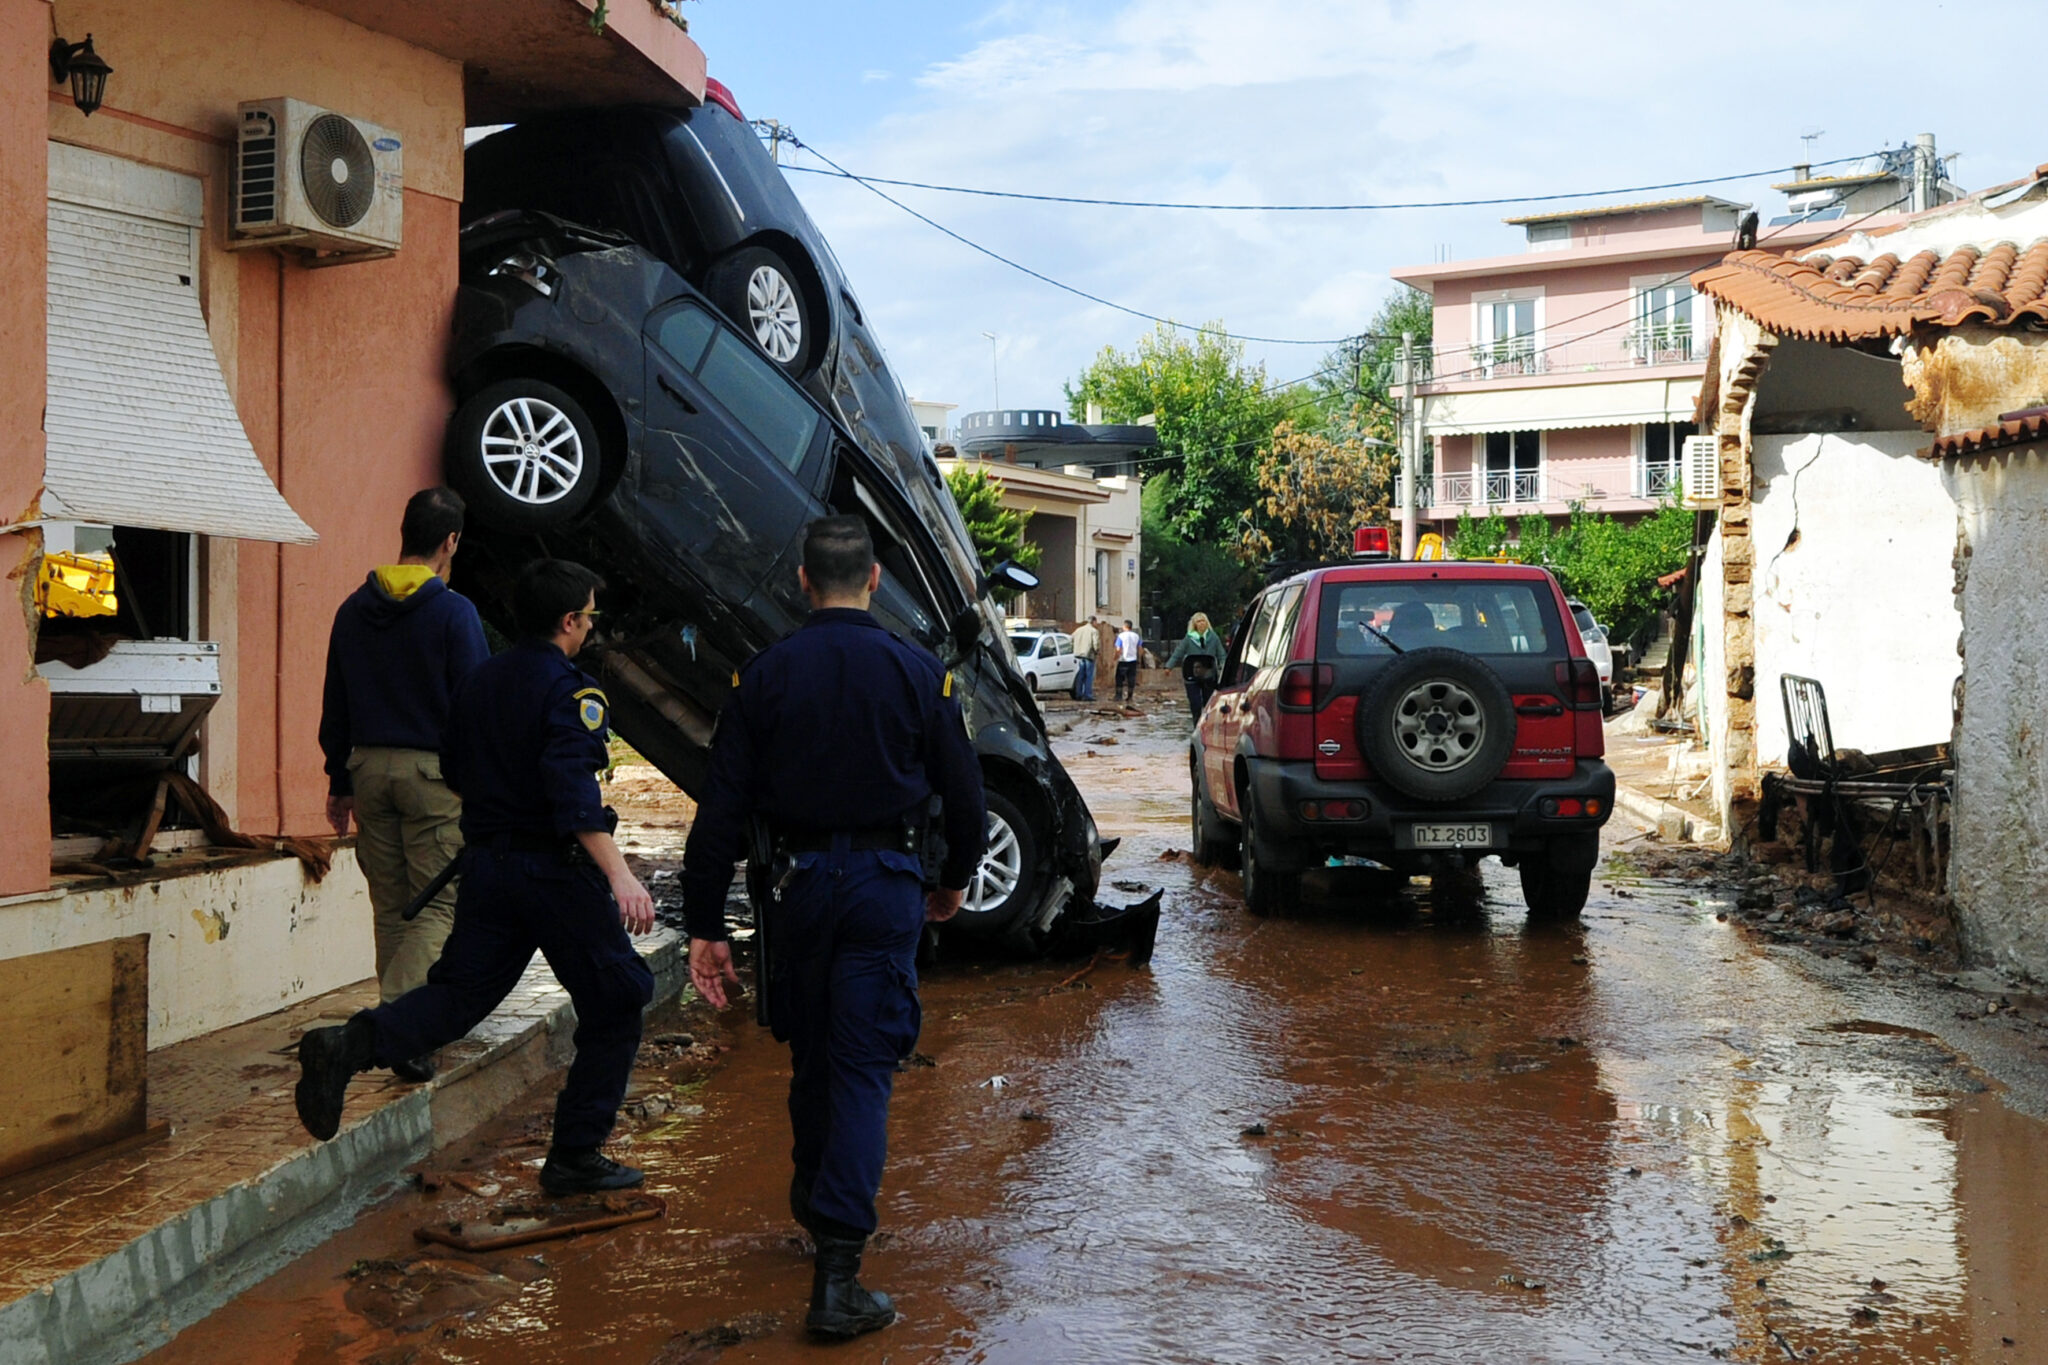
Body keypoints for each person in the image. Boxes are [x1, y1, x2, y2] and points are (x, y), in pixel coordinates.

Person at [680, 515, 987, 1341]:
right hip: (885, 888)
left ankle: (819, 1205)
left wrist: (704, 924)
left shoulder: (764, 676)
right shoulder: (922, 673)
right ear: (876, 579)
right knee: (858, 1067)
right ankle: (838, 1274)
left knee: (815, 1051)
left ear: (805, 583)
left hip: (797, 889)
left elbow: (719, 813)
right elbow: (968, 800)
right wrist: (953, 879)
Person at [295, 560, 658, 1197]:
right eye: (590, 617)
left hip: (488, 867)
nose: (590, 627)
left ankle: (348, 1046)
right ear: (570, 622)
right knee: (621, 996)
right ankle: (575, 1154)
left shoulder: (480, 682)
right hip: (553, 872)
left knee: (459, 996)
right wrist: (622, 876)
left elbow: (458, 772)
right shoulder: (573, 693)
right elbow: (572, 791)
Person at [318, 487, 489, 1082]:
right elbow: (474, 707)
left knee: (391, 907)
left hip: (368, 768)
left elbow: (334, 702)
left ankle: (403, 1038)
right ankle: (391, 1028)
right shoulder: (454, 613)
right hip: (433, 776)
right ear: (450, 542)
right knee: (438, 905)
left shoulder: (352, 608)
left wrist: (339, 779)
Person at [1164, 612, 1226, 721]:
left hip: (1209, 674)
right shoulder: (1189, 638)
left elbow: (1221, 654)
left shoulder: (1213, 637)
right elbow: (1178, 652)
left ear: (1207, 623)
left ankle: (1207, 723)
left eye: (1203, 621)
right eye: (1198, 621)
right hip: (1191, 674)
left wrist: (1224, 667)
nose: (1201, 624)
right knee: (1195, 702)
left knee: (1209, 702)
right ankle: (1196, 722)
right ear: (1194, 624)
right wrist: (1169, 666)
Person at [1069, 616, 1100, 701]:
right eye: (1096, 622)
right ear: (1093, 622)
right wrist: (1097, 651)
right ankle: (1087, 695)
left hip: (1079, 654)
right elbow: (1096, 644)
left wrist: (1074, 648)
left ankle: (1078, 694)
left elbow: (1071, 638)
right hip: (1089, 655)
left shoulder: (1078, 630)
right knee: (1089, 675)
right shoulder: (1094, 631)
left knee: (1080, 675)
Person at [1113, 619, 1143, 703]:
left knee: (1119, 678)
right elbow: (1140, 648)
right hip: (1133, 660)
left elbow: (1118, 649)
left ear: (1125, 626)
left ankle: (1118, 695)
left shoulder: (1121, 636)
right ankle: (1130, 696)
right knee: (1131, 678)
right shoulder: (1136, 636)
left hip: (1123, 660)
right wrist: (1139, 658)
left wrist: (1115, 657)